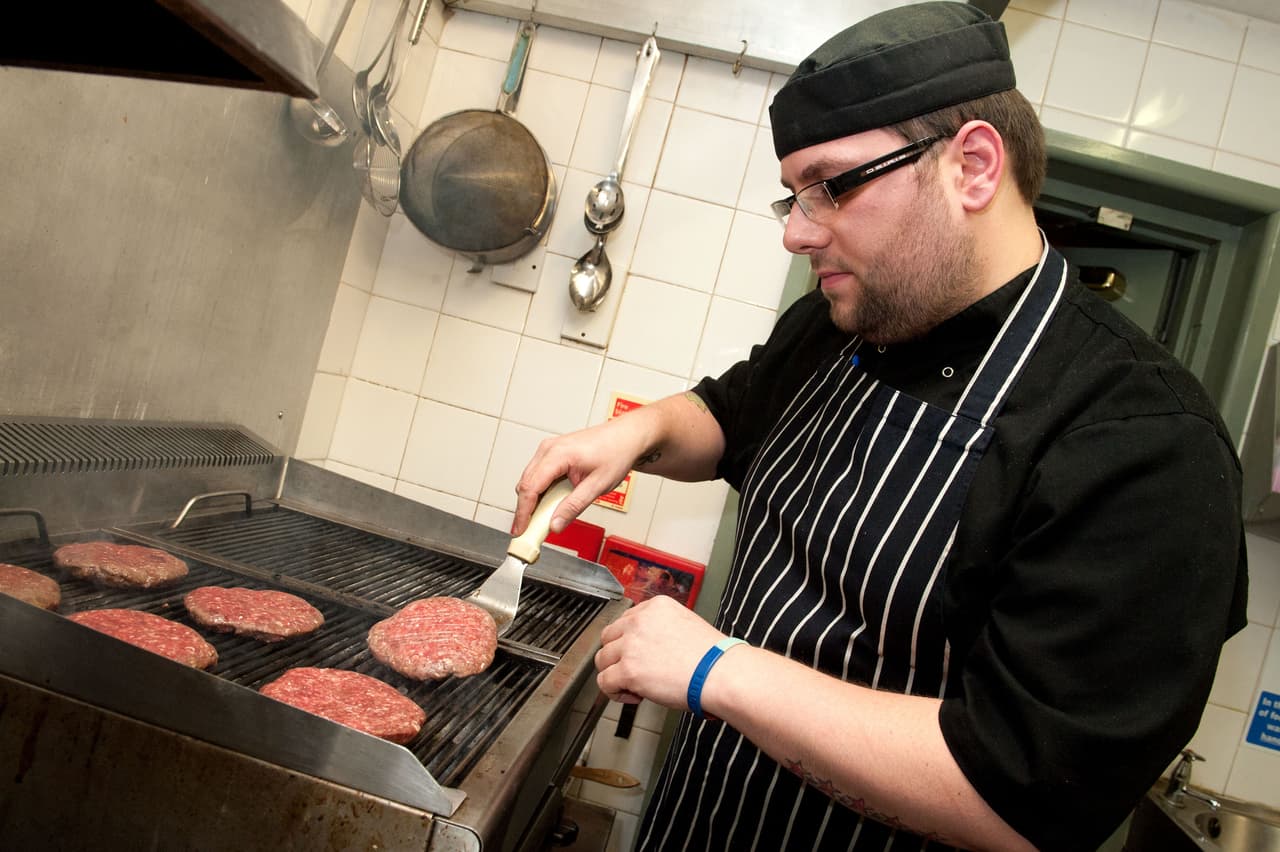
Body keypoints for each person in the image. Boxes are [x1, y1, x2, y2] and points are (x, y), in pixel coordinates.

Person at [512, 3, 1250, 850]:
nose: (796, 233)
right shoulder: (847, 317)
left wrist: (716, 669)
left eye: (830, 186)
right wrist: (638, 433)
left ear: (973, 166)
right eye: (792, 197)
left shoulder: (1146, 444)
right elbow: (726, 414)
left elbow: (1023, 801)